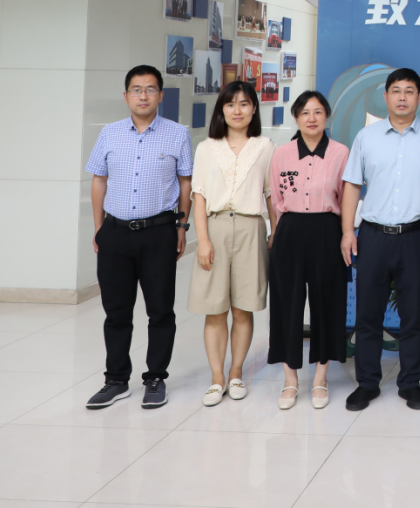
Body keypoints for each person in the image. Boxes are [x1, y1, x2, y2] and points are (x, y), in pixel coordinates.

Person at [85, 65, 193, 410]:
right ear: (126, 95)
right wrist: (98, 227)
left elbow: (186, 183)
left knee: (160, 310)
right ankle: (116, 380)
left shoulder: (177, 134)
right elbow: (99, 179)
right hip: (115, 233)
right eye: (136, 89)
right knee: (116, 312)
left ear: (160, 95)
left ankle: (155, 378)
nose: (143, 95)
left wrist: (181, 227)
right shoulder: (109, 133)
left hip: (159, 233)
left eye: (150, 89)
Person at [340, 68, 420, 412]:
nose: (402, 97)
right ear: (385, 96)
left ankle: (410, 383)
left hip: (414, 236)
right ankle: (367, 383)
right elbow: (352, 185)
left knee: (412, 315)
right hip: (373, 235)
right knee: (368, 314)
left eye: (409, 91)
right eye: (396, 91)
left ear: (419, 98)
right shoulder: (366, 137)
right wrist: (347, 232)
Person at [189, 81, 276, 406]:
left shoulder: (266, 146)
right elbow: (199, 196)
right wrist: (203, 240)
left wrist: (275, 233)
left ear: (254, 109)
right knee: (214, 309)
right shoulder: (206, 147)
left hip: (252, 228)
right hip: (215, 228)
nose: (237, 110)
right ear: (221, 110)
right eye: (230, 104)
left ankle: (236, 372)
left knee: (243, 308)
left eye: (244, 104)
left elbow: (271, 195)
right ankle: (217, 378)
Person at [266, 91, 350, 410]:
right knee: (286, 304)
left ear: (327, 116)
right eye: (304, 112)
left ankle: (320, 378)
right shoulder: (282, 153)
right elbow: (276, 198)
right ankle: (290, 380)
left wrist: (345, 233)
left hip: (327, 229)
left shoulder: (341, 153)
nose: (311, 118)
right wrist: (277, 233)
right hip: (290, 230)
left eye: (317, 112)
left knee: (326, 303)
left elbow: (346, 196)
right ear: (296, 118)